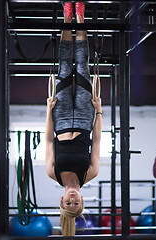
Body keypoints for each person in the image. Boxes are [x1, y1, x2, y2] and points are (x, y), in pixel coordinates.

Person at [45, 2, 102, 236]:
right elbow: (97, 141)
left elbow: (49, 141)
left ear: (61, 200)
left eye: (68, 203)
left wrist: (48, 111)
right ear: (81, 200)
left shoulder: (52, 173)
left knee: (66, 67)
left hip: (60, 116)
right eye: (75, 203)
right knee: (83, 67)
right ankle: (80, 13)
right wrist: (99, 111)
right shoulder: (90, 173)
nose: (72, 200)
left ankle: (68, 16)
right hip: (84, 116)